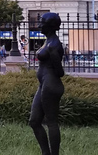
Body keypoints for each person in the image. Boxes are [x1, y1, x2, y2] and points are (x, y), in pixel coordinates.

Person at [29, 12, 64, 155]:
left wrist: (54, 57)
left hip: (51, 85)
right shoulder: (48, 41)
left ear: (49, 26)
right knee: (34, 121)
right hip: (44, 84)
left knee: (51, 122)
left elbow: (60, 72)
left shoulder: (54, 45)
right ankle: (46, 153)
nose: (39, 26)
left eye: (42, 23)